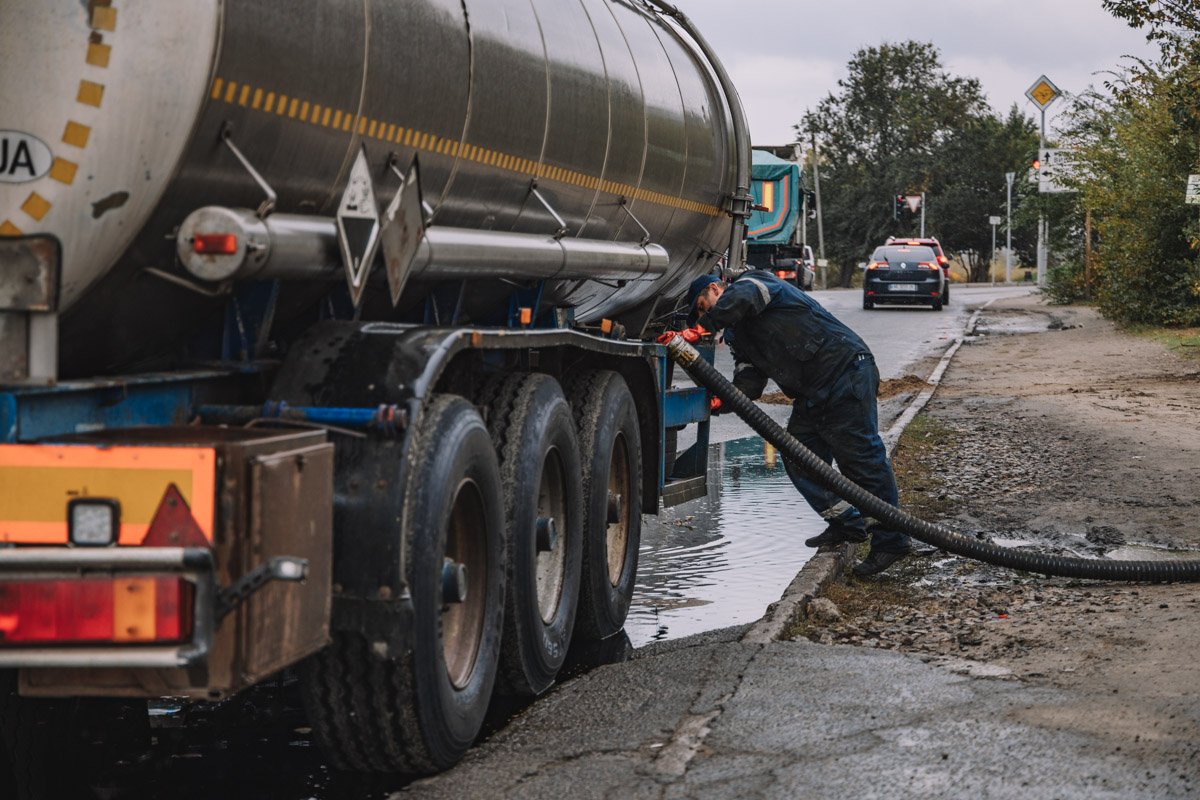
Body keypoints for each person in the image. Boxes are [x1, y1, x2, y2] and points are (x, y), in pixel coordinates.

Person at [663, 271, 911, 576]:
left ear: (715, 288)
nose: (705, 316)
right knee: (798, 456)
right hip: (812, 392)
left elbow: (744, 297)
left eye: (703, 305)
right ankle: (847, 523)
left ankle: (892, 541)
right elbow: (749, 384)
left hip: (844, 372)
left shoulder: (753, 284)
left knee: (861, 461)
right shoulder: (739, 335)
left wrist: (701, 327)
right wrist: (717, 403)